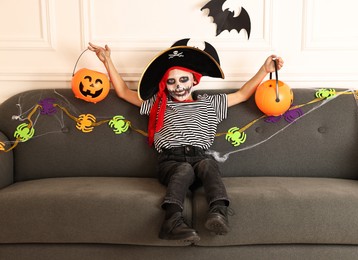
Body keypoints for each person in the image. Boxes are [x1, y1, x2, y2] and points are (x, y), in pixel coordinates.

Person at [88, 39, 283, 242]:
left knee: (208, 164)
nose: (178, 86)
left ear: (193, 80)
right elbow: (123, 92)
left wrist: (264, 69)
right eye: (171, 82)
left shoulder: (210, 103)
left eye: (183, 80)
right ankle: (171, 221)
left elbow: (242, 95)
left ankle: (218, 212)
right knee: (184, 169)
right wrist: (107, 61)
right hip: (171, 161)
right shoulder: (158, 104)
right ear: (165, 85)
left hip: (200, 159)